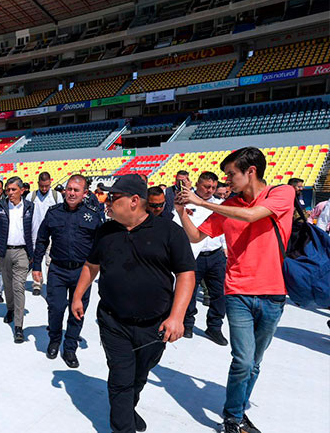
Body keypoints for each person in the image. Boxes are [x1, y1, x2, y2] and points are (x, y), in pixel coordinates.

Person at [174, 147, 294, 433]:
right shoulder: (229, 205)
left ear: (250, 171)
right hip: (238, 290)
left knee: (254, 362)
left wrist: (203, 203)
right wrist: (183, 211)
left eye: (231, 175)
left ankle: (238, 411)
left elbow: (252, 215)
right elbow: (195, 236)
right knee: (242, 358)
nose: (226, 181)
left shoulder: (281, 193)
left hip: (274, 292)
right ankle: (233, 417)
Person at [70, 174, 196, 433]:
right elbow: (91, 265)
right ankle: (123, 425)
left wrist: (177, 317)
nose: (107, 202)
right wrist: (78, 295)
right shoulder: (105, 231)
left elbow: (186, 274)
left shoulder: (169, 231)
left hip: (154, 325)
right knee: (120, 379)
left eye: (114, 197)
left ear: (134, 201)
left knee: (139, 376)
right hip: (113, 321)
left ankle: (127, 409)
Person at [34, 175, 102, 367]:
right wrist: (36, 266)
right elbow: (41, 239)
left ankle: (70, 347)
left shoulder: (93, 214)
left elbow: (101, 244)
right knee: (55, 308)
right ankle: (55, 339)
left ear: (84, 193)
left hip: (83, 272)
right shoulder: (53, 212)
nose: (71, 193)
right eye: (69, 189)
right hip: (58, 270)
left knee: (77, 311)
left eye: (76, 190)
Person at [172, 172, 228, 345]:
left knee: (219, 294)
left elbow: (226, 229)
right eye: (206, 186)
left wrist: (225, 248)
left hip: (216, 255)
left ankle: (215, 326)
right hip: (193, 255)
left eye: (213, 187)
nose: (209, 190)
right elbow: (176, 226)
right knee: (189, 291)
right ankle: (187, 324)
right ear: (197, 184)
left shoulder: (220, 205)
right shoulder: (185, 201)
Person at [0, 177, 34, 343]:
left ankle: (19, 326)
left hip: (22, 252)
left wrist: (34, 254)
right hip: (3, 252)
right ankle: (10, 309)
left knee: (18, 286)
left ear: (22, 190)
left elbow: (35, 231)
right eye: (8, 190)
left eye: (13, 190)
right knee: (7, 284)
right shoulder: (1, 206)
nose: (10, 193)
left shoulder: (29, 207)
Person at [26, 171, 61, 296]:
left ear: (50, 182)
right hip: (35, 234)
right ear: (38, 184)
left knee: (50, 261)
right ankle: (37, 284)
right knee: (36, 260)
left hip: (52, 235)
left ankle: (51, 284)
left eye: (47, 186)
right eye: (42, 186)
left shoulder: (56, 196)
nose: (44, 188)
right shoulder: (31, 196)